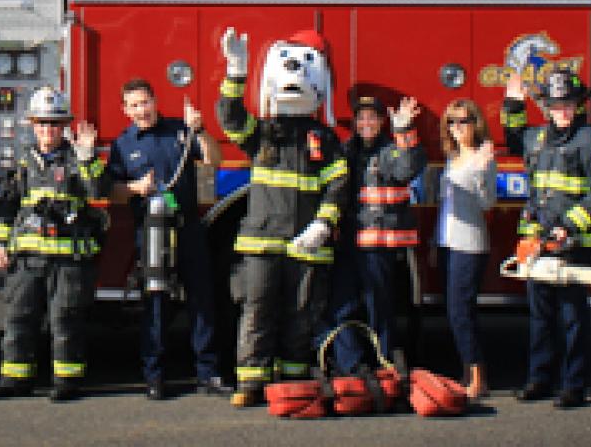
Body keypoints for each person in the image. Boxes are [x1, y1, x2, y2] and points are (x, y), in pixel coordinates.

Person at [217, 27, 349, 407]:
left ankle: (293, 383)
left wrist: (323, 224)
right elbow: (230, 118)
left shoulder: (324, 139)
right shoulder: (262, 132)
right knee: (256, 310)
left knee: (300, 314)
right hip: (261, 242)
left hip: (306, 243)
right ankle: (251, 384)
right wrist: (236, 72)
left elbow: (338, 183)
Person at [105, 78, 227, 400]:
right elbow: (112, 191)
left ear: (155, 101)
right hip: (151, 232)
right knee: (155, 304)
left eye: (145, 102)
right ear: (125, 110)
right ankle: (155, 377)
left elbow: (214, 159)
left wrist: (201, 130)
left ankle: (208, 373)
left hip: (188, 229)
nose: (141, 110)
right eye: (134, 105)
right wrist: (135, 188)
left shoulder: (180, 131)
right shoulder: (123, 144)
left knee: (201, 300)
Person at [0, 86, 106, 403]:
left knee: (64, 319)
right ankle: (15, 379)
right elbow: (7, 206)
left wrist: (88, 156)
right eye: (42, 123)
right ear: (33, 125)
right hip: (28, 258)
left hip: (68, 259)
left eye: (54, 123)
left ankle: (67, 381)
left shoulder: (78, 158)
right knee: (19, 317)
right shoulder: (23, 162)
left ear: (64, 125)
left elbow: (97, 191)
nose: (48, 130)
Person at [503, 69, 591, 409]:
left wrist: (567, 226)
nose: (562, 111)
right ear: (547, 107)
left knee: (572, 318)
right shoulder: (537, 138)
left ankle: (573, 386)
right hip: (538, 243)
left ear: (579, 105)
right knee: (540, 316)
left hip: (575, 245)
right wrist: (512, 103)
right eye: (555, 105)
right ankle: (539, 379)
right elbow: (514, 138)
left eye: (568, 104)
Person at [323, 95, 424, 374]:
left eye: (372, 117)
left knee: (378, 307)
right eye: (361, 118)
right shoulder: (347, 150)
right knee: (341, 305)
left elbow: (407, 169)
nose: (366, 123)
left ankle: (383, 362)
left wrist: (404, 129)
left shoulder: (390, 151)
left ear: (382, 122)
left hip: (377, 246)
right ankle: (351, 365)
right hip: (348, 244)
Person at [435, 98, 496, 401]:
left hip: (469, 245)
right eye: (452, 121)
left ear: (475, 124)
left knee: (462, 312)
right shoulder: (453, 156)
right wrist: (435, 242)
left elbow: (487, 203)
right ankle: (466, 373)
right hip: (447, 242)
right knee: (454, 312)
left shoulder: (481, 157)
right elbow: (445, 205)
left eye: (463, 121)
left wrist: (481, 173)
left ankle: (479, 378)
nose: (457, 127)